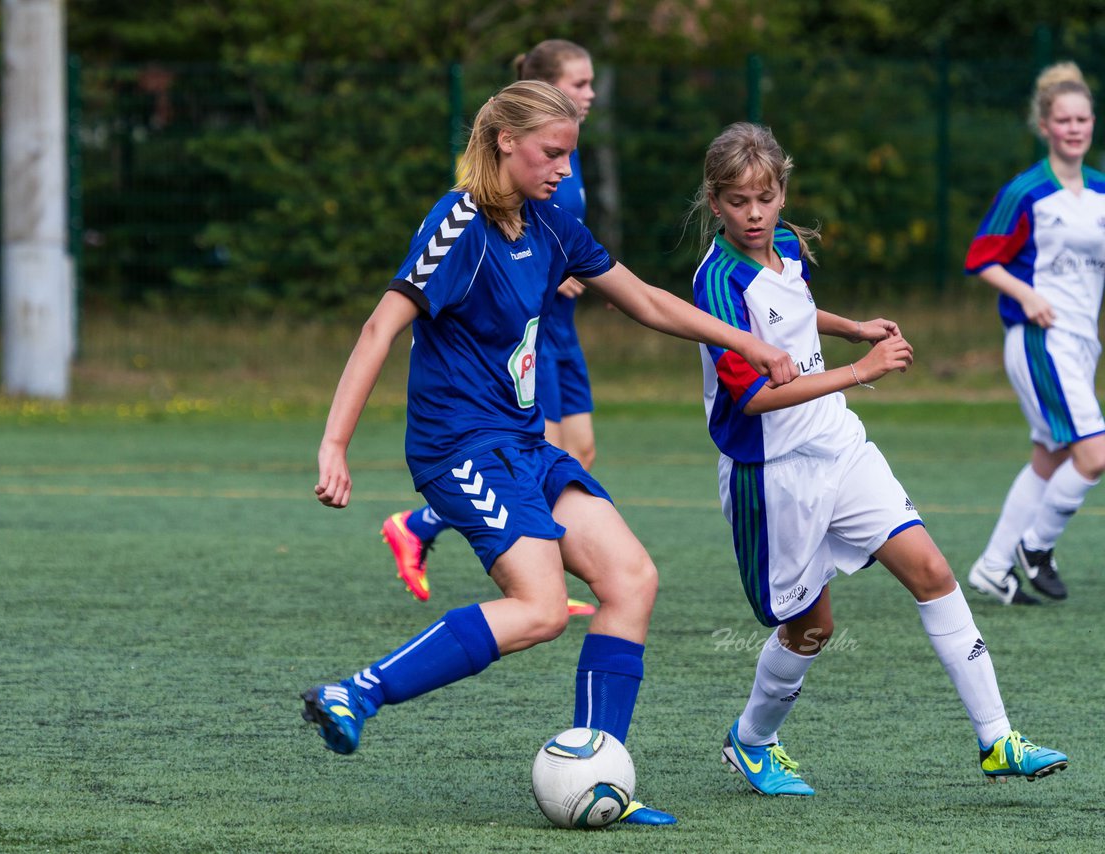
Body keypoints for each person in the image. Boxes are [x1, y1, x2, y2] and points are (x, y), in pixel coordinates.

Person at [303, 81, 797, 825]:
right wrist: (335, 443)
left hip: (524, 443)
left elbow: (646, 301)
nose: (564, 169)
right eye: (552, 153)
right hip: (460, 445)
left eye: (569, 153)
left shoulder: (553, 222)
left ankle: (601, 770)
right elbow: (381, 329)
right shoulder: (458, 223)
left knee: (631, 579)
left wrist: (748, 343)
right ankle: (356, 693)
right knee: (539, 610)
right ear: (505, 142)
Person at [688, 122, 1068, 796]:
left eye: (766, 198)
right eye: (739, 201)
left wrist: (851, 326)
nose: (755, 214)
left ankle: (997, 739)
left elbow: (797, 311)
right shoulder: (717, 284)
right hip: (772, 475)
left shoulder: (784, 247)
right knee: (812, 628)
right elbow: (752, 401)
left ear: (781, 194)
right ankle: (752, 740)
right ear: (714, 203)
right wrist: (862, 369)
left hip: (839, 444)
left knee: (931, 569)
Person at [381, 40, 601, 616]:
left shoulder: (560, 172)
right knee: (542, 448)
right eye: (579, 84)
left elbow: (573, 256)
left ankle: (448, 536)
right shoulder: (479, 198)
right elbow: (389, 319)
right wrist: (334, 445)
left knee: (579, 450)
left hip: (553, 331)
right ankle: (526, 576)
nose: (589, 94)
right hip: (512, 345)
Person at [964, 61, 1105, 606]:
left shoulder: (1098, 192)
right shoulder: (1026, 191)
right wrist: (1026, 295)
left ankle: (994, 568)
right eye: (1063, 120)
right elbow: (981, 258)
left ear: (1092, 124)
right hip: (1039, 340)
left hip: (1080, 345)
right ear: (1045, 126)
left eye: (1082, 119)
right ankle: (1035, 548)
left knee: (1050, 458)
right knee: (1092, 456)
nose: (1074, 128)